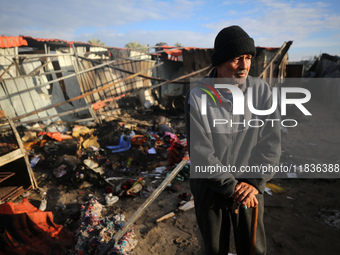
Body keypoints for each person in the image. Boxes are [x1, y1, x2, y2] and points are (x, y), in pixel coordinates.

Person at [185, 25, 281, 255]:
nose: (245, 65)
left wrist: (253, 182)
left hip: (249, 187)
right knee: (214, 248)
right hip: (211, 187)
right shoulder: (198, 97)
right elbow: (201, 153)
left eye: (248, 58)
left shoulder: (261, 92)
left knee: (253, 248)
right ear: (219, 62)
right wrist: (231, 186)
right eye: (238, 58)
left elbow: (271, 144)